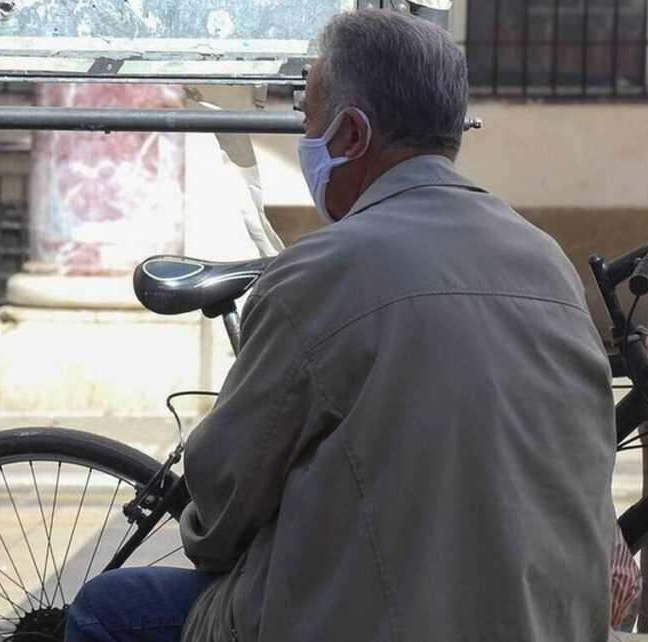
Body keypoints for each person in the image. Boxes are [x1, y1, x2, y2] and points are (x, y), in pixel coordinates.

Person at [65, 9, 616, 642]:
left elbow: (218, 517)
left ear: (351, 134)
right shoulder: (548, 260)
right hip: (550, 624)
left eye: (308, 121)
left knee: (106, 609)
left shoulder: (322, 269)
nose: (305, 139)